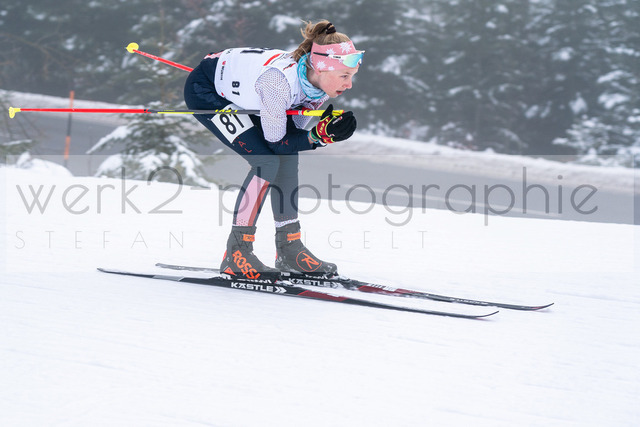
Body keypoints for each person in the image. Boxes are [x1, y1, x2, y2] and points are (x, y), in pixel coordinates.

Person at [184, 20, 363, 279]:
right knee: (266, 162)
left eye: (351, 76)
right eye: (344, 76)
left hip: (250, 90)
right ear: (321, 68)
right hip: (208, 91)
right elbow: (276, 142)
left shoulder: (318, 88)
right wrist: (318, 137)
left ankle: (290, 248)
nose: (349, 84)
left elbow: (288, 141)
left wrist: (316, 136)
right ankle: (236, 253)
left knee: (286, 157)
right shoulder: (278, 84)